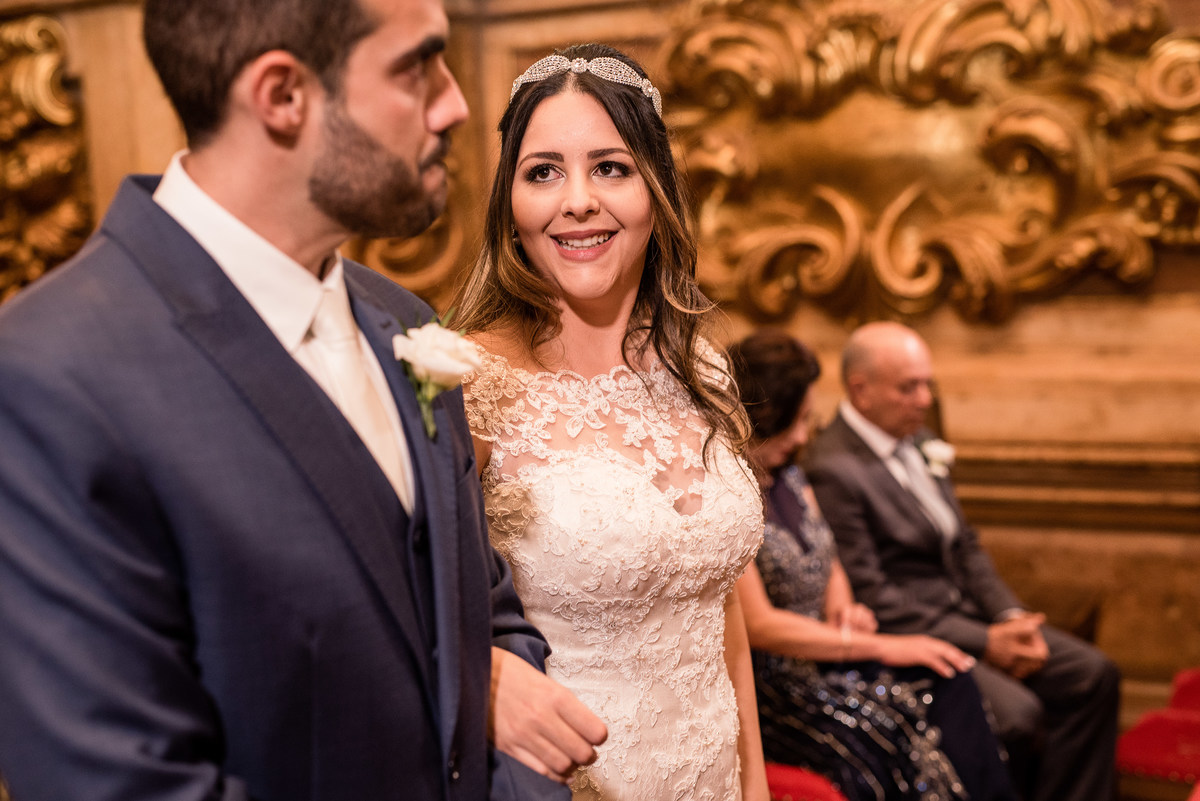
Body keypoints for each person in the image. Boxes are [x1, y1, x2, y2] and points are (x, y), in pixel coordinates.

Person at [0, 1, 607, 799]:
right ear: (283, 95)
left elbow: (485, 619)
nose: (456, 103)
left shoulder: (406, 322)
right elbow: (121, 777)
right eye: (416, 66)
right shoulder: (51, 374)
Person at [452, 43, 769, 801]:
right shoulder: (469, 386)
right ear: (510, 202)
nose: (578, 201)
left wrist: (753, 782)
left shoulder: (702, 369)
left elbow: (720, 610)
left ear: (656, 190)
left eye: (610, 167)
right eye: (543, 172)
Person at [804, 321, 1120, 801]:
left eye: (927, 383)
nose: (925, 398)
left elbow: (965, 545)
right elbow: (873, 593)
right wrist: (986, 642)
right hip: (914, 633)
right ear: (860, 390)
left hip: (973, 617)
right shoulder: (833, 467)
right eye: (909, 387)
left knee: (1093, 675)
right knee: (1019, 717)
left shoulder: (919, 440)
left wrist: (1011, 618)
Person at [728, 329, 1018, 801]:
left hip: (830, 650)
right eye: (791, 423)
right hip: (776, 682)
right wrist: (875, 645)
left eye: (807, 420)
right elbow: (761, 627)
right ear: (757, 418)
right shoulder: (726, 489)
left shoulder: (789, 474)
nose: (803, 437)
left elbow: (829, 557)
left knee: (949, 678)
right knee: (879, 736)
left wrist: (843, 608)